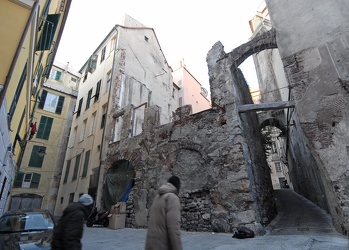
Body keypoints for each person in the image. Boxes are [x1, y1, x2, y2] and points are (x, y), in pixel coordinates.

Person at [145, 175, 183, 250]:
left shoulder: (157, 197)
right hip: (162, 245)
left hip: (151, 243)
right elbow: (173, 227)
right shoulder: (172, 198)